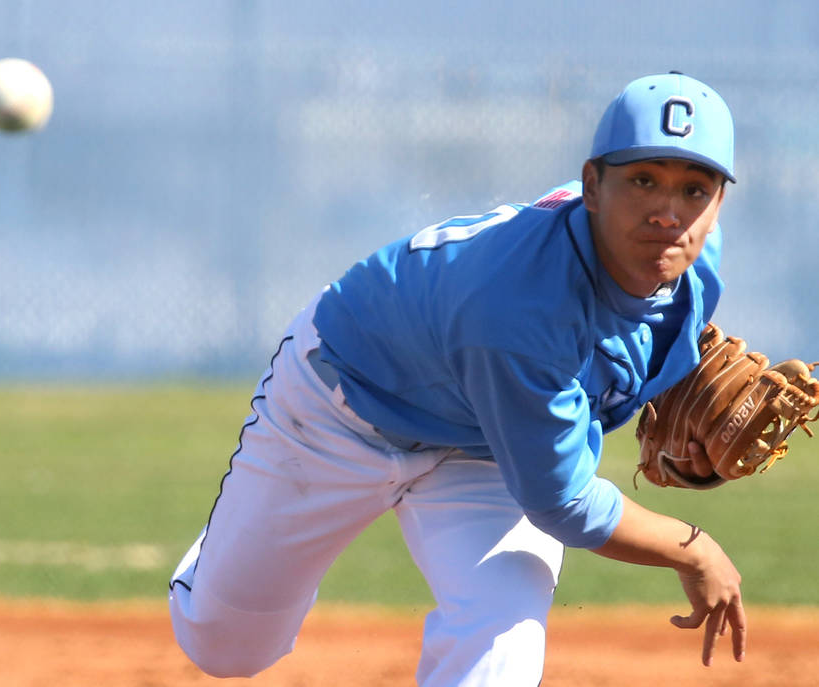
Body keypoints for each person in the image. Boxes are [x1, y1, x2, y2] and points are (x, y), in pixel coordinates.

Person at [168, 72, 746, 686]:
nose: (668, 211)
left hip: (486, 449)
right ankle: (226, 552)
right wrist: (695, 547)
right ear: (591, 188)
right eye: (643, 179)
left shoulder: (696, 262)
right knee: (226, 647)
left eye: (694, 188)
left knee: (502, 646)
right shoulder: (515, 307)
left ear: (717, 203)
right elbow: (563, 502)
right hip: (341, 406)